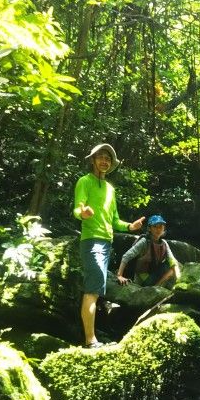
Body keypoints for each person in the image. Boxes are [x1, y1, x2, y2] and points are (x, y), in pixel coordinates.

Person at [73, 143, 145, 348]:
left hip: (106, 242)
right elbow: (78, 209)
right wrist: (83, 213)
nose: (104, 161)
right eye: (101, 157)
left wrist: (130, 226)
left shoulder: (110, 189)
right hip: (91, 239)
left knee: (95, 289)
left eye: (108, 159)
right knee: (92, 290)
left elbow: (114, 220)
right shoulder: (84, 181)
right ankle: (90, 340)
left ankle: (91, 338)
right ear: (93, 160)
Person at [116, 214, 178, 287]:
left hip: (153, 274)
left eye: (161, 226)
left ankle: (156, 287)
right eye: (155, 226)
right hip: (142, 279)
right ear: (149, 228)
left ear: (164, 229)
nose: (158, 229)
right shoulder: (144, 241)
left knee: (174, 264)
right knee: (171, 268)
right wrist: (119, 275)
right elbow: (126, 256)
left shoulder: (164, 243)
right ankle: (155, 288)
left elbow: (172, 260)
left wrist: (178, 276)